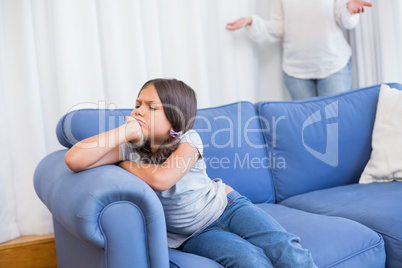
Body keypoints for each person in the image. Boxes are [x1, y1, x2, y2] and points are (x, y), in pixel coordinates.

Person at [64, 78, 317, 267]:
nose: (138, 111)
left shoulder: (189, 140)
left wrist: (123, 164)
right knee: (249, 260)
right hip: (192, 234)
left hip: (228, 206)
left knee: (285, 248)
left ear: (174, 119)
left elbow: (162, 179)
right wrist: (126, 132)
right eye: (137, 104)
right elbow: (74, 159)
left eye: (151, 107)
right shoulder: (129, 147)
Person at [226, 0, 373, 100]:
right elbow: (279, 28)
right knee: (307, 132)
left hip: (334, 67)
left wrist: (348, 10)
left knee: (336, 130)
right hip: (296, 73)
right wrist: (252, 22)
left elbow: (345, 19)